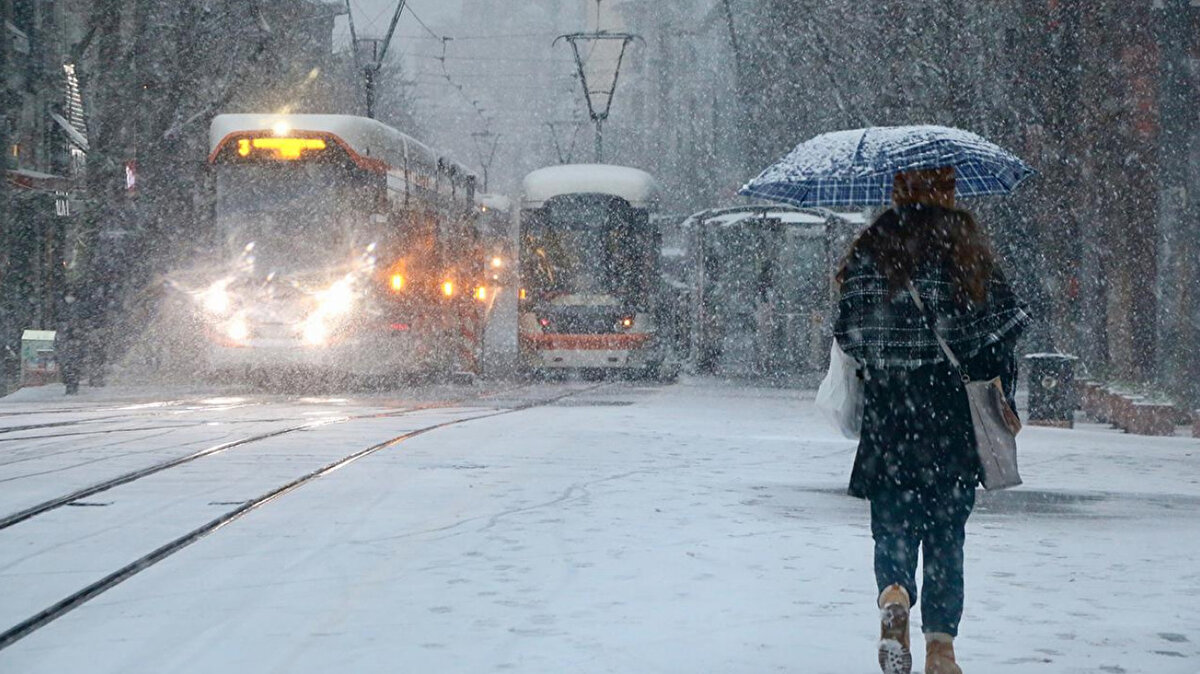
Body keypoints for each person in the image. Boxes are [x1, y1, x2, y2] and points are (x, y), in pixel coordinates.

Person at [833, 167, 1032, 674]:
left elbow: (850, 335)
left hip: (891, 412)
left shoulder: (871, 250)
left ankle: (894, 592)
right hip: (949, 413)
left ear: (899, 192)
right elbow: (1007, 327)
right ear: (948, 191)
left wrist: (891, 353)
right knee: (946, 533)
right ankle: (941, 649)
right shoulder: (965, 249)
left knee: (893, 521)